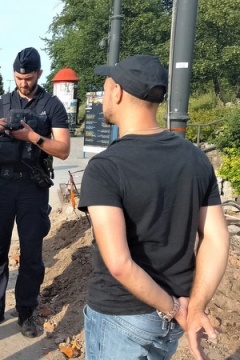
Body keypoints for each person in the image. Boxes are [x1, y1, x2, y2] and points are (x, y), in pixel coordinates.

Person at [79, 55, 230, 359]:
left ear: (118, 92)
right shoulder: (195, 158)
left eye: (106, 87)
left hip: (120, 315)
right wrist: (194, 307)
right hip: (173, 318)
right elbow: (216, 237)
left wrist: (173, 308)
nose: (104, 96)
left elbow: (119, 264)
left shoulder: (105, 168)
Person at [0, 47, 70, 337]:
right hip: (1, 186)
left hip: (32, 187)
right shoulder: (1, 103)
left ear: (39, 74)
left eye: (28, 78)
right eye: (18, 77)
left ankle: (26, 311)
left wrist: (32, 136)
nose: (23, 83)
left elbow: (63, 150)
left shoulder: (52, 105)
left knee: (31, 254)